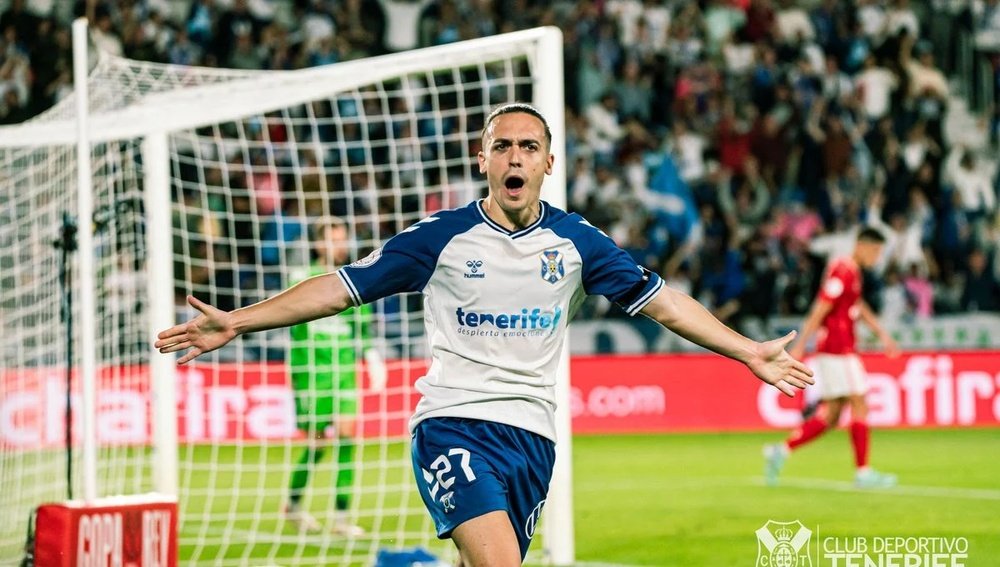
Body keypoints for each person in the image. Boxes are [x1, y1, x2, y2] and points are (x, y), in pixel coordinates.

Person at [156, 103, 814, 566]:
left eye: (528, 146)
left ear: (548, 162)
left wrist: (747, 349)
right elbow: (342, 286)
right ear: (484, 159)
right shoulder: (441, 237)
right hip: (453, 424)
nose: (515, 156)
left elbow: (664, 303)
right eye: (503, 145)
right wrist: (237, 321)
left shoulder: (578, 242)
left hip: (532, 438)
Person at [764, 227, 900, 489]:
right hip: (839, 350)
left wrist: (882, 334)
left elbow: (857, 306)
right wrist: (802, 343)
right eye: (875, 251)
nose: (877, 257)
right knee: (860, 404)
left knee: (832, 416)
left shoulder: (852, 272)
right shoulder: (842, 270)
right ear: (861, 245)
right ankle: (863, 472)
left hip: (838, 350)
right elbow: (821, 306)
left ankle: (781, 450)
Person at [282, 217, 386, 536]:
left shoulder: (351, 279)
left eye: (342, 239)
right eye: (332, 239)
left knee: (347, 437)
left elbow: (361, 327)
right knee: (317, 445)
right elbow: (289, 325)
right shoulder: (301, 278)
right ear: (318, 244)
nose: (339, 246)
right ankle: (293, 504)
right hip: (312, 373)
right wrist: (298, 376)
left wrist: (371, 357)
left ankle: (341, 516)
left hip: (343, 373)